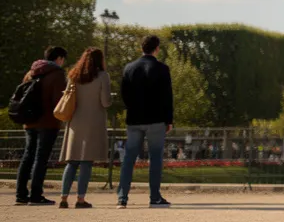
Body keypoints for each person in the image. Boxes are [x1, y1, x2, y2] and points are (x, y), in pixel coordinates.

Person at [116, 35, 174, 208]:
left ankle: (122, 197)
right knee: (155, 159)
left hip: (134, 119)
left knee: (128, 159)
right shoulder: (162, 68)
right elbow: (167, 97)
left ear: (142, 48)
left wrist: (132, 109)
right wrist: (168, 120)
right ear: (156, 49)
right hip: (156, 119)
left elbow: (124, 95)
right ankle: (154, 196)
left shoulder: (129, 68)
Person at [57, 48, 113, 208]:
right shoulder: (103, 76)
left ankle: (63, 197)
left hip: (75, 122)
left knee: (72, 162)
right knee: (86, 163)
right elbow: (105, 102)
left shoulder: (74, 75)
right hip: (93, 122)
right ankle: (80, 199)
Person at [14, 46, 69, 205]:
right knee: (41, 158)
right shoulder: (57, 74)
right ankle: (36, 195)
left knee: (27, 156)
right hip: (48, 122)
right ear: (59, 58)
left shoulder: (31, 73)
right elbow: (59, 101)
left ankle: (21, 194)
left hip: (30, 121)